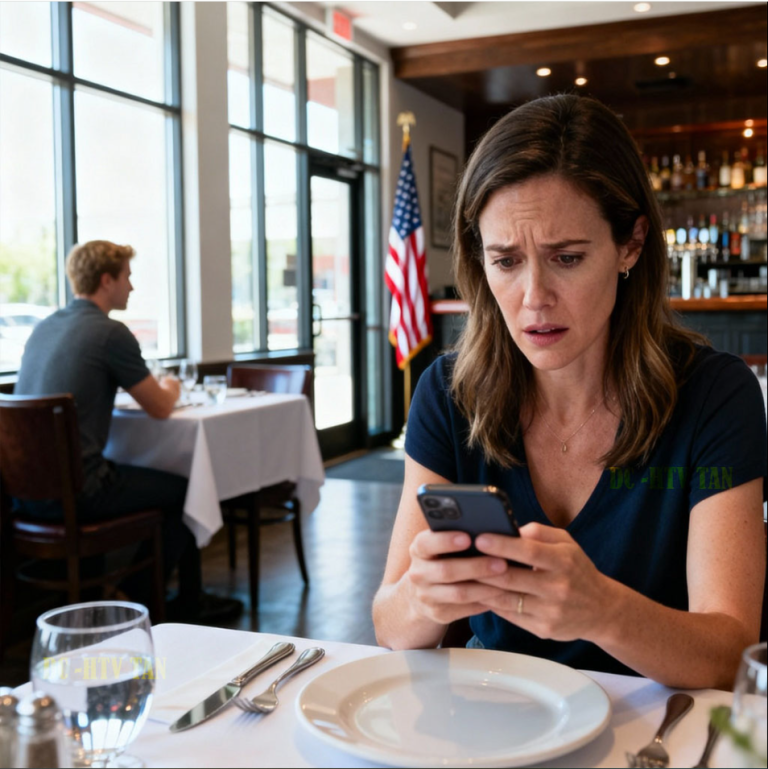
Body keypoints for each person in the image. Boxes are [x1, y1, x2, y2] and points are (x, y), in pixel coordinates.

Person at [372, 95, 766, 690]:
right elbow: (389, 626)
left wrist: (604, 611)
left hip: (658, 729)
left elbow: (731, 652)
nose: (534, 297)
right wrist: (423, 599)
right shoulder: (448, 393)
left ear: (630, 245)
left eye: (567, 258)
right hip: (495, 722)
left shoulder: (715, 395)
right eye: (505, 261)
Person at [15, 240, 242, 624]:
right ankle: (152, 598)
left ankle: (133, 591)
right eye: (128, 278)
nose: (132, 287)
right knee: (190, 490)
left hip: (23, 495)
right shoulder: (110, 333)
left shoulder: (44, 328)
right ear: (107, 280)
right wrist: (171, 385)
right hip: (82, 491)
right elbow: (160, 407)